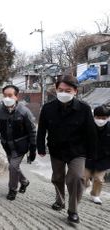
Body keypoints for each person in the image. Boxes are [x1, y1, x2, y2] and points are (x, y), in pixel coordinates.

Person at [37, 75, 97, 224]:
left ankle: (73, 210)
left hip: (77, 151)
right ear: (56, 90)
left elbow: (91, 132)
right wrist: (40, 147)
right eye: (60, 90)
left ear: (75, 91)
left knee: (76, 177)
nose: (63, 93)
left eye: (67, 90)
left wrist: (92, 153)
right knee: (57, 178)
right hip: (56, 150)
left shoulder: (84, 109)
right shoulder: (48, 108)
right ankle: (60, 200)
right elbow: (42, 129)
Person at [0, 85, 37, 201]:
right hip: (7, 145)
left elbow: (32, 130)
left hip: (21, 145)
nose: (7, 98)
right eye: (5, 95)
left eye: (10, 95)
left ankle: (12, 190)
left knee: (13, 166)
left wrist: (33, 148)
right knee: (14, 167)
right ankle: (24, 181)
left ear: (16, 96)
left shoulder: (24, 112)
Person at [84, 105, 110, 205]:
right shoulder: (88, 126)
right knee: (83, 177)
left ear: (108, 118)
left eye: (104, 118)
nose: (100, 120)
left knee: (99, 179)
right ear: (94, 117)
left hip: (104, 158)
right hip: (88, 156)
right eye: (98, 118)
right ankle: (85, 185)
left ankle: (95, 195)